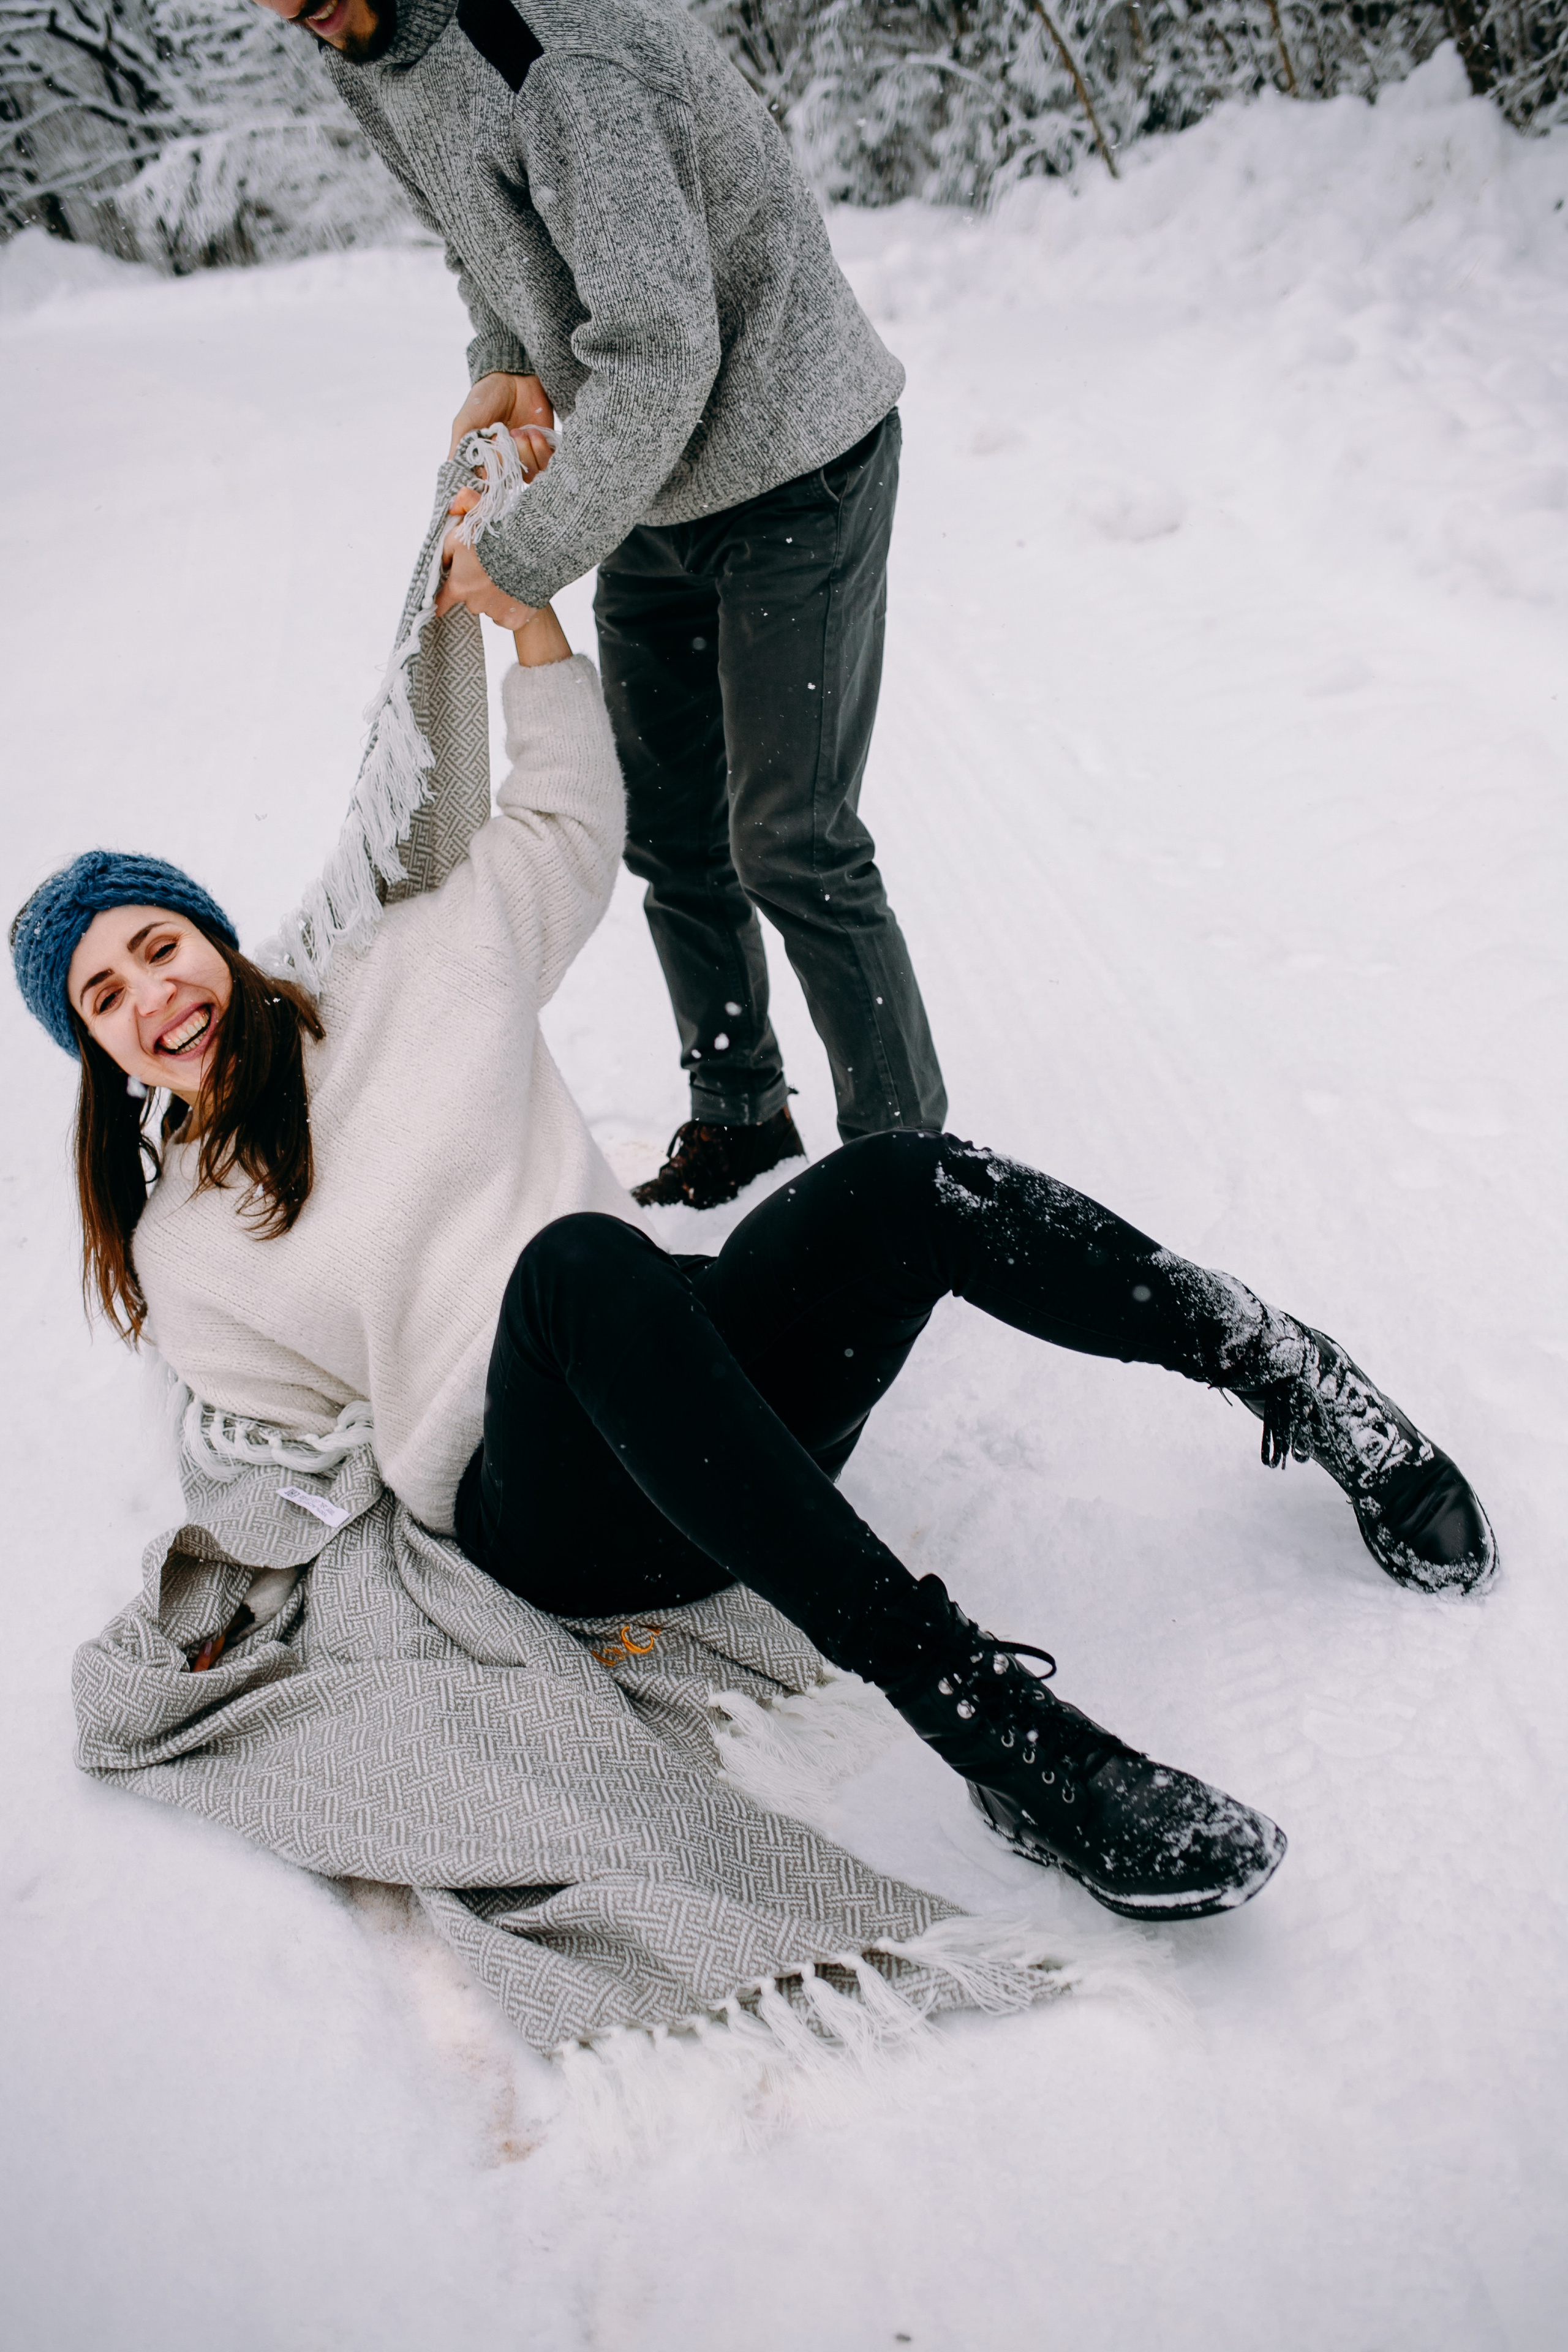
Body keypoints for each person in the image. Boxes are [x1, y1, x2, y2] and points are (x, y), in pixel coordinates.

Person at [12, 605, 1495, 1928]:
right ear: (93, 1049)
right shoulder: (184, 1253)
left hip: (695, 1383)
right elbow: (308, 1460)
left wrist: (529, 634)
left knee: (900, 1180)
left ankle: (1287, 1372)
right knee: (582, 1267)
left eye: (158, 946)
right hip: (554, 1515)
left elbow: (562, 829)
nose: (152, 993)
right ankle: (1000, 1735)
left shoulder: (403, 971)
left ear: (210, 936)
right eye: (104, 992)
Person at [255, 0, 946, 1208]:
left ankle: (907, 1176)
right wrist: (502, 361)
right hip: (656, 478)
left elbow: (666, 345)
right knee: (674, 832)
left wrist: (531, 550)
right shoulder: (359, 49)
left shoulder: (551, 47)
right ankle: (739, 1113)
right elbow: (481, 232)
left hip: (796, 460)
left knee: (790, 840)